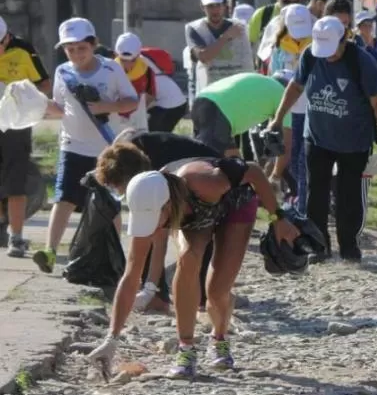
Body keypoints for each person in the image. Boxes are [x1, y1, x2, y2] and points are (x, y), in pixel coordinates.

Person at [88, 158, 299, 379]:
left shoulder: (206, 181)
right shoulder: (147, 200)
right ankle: (186, 351)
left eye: (155, 219)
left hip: (235, 204)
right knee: (188, 259)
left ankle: (220, 339)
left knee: (217, 291)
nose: (153, 227)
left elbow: (254, 172)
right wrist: (111, 338)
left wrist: (278, 218)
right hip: (194, 219)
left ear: (168, 204)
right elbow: (131, 275)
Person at [270, 15, 377, 263]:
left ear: (344, 39)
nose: (327, 56)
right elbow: (296, 86)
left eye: (332, 49)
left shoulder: (362, 62)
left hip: (354, 141)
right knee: (316, 193)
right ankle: (319, 246)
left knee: (348, 195)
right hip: (316, 136)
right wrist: (277, 118)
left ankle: (349, 247)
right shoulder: (310, 55)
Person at [36, 18, 139, 273]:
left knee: (110, 202)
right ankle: (49, 251)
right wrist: (34, 103)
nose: (76, 54)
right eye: (70, 50)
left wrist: (106, 107)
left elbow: (131, 101)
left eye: (81, 48)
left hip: (105, 148)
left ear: (93, 44)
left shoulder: (111, 70)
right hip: (72, 146)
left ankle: (116, 256)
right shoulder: (63, 72)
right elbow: (59, 107)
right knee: (63, 200)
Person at [94, 130, 222, 313]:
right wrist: (150, 289)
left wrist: (277, 215)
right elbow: (155, 239)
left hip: (211, 183)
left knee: (199, 258)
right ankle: (190, 325)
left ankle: (211, 316)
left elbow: (158, 239)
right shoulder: (128, 157)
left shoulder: (155, 174)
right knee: (178, 248)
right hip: (192, 183)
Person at [0, 16, 51, 258]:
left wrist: (23, 95)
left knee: (15, 182)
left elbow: (44, 84)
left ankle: (17, 237)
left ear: (7, 37)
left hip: (16, 126)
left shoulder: (23, 50)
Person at [265, 4, 314, 212]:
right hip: (287, 111)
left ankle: (303, 205)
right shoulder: (278, 46)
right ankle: (296, 197)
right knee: (289, 159)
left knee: (305, 161)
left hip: (310, 111)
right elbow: (271, 77)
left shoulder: (316, 45)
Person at [184, 0, 254, 104]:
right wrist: (226, 37)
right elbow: (204, 56)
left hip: (237, 90)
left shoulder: (240, 27)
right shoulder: (194, 28)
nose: (215, 10)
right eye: (210, 6)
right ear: (202, 7)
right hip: (209, 92)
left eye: (218, 5)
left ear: (225, 6)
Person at [248, 0, 306, 64]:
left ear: (302, 0)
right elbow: (250, 45)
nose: (290, 6)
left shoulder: (307, 16)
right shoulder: (262, 14)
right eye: (286, 1)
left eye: (295, 2)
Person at [114, 32, 155, 132]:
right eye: (123, 60)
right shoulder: (110, 70)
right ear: (116, 54)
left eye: (132, 60)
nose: (127, 64)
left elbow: (151, 94)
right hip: (115, 118)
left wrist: (137, 112)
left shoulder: (147, 70)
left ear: (138, 55)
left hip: (137, 119)